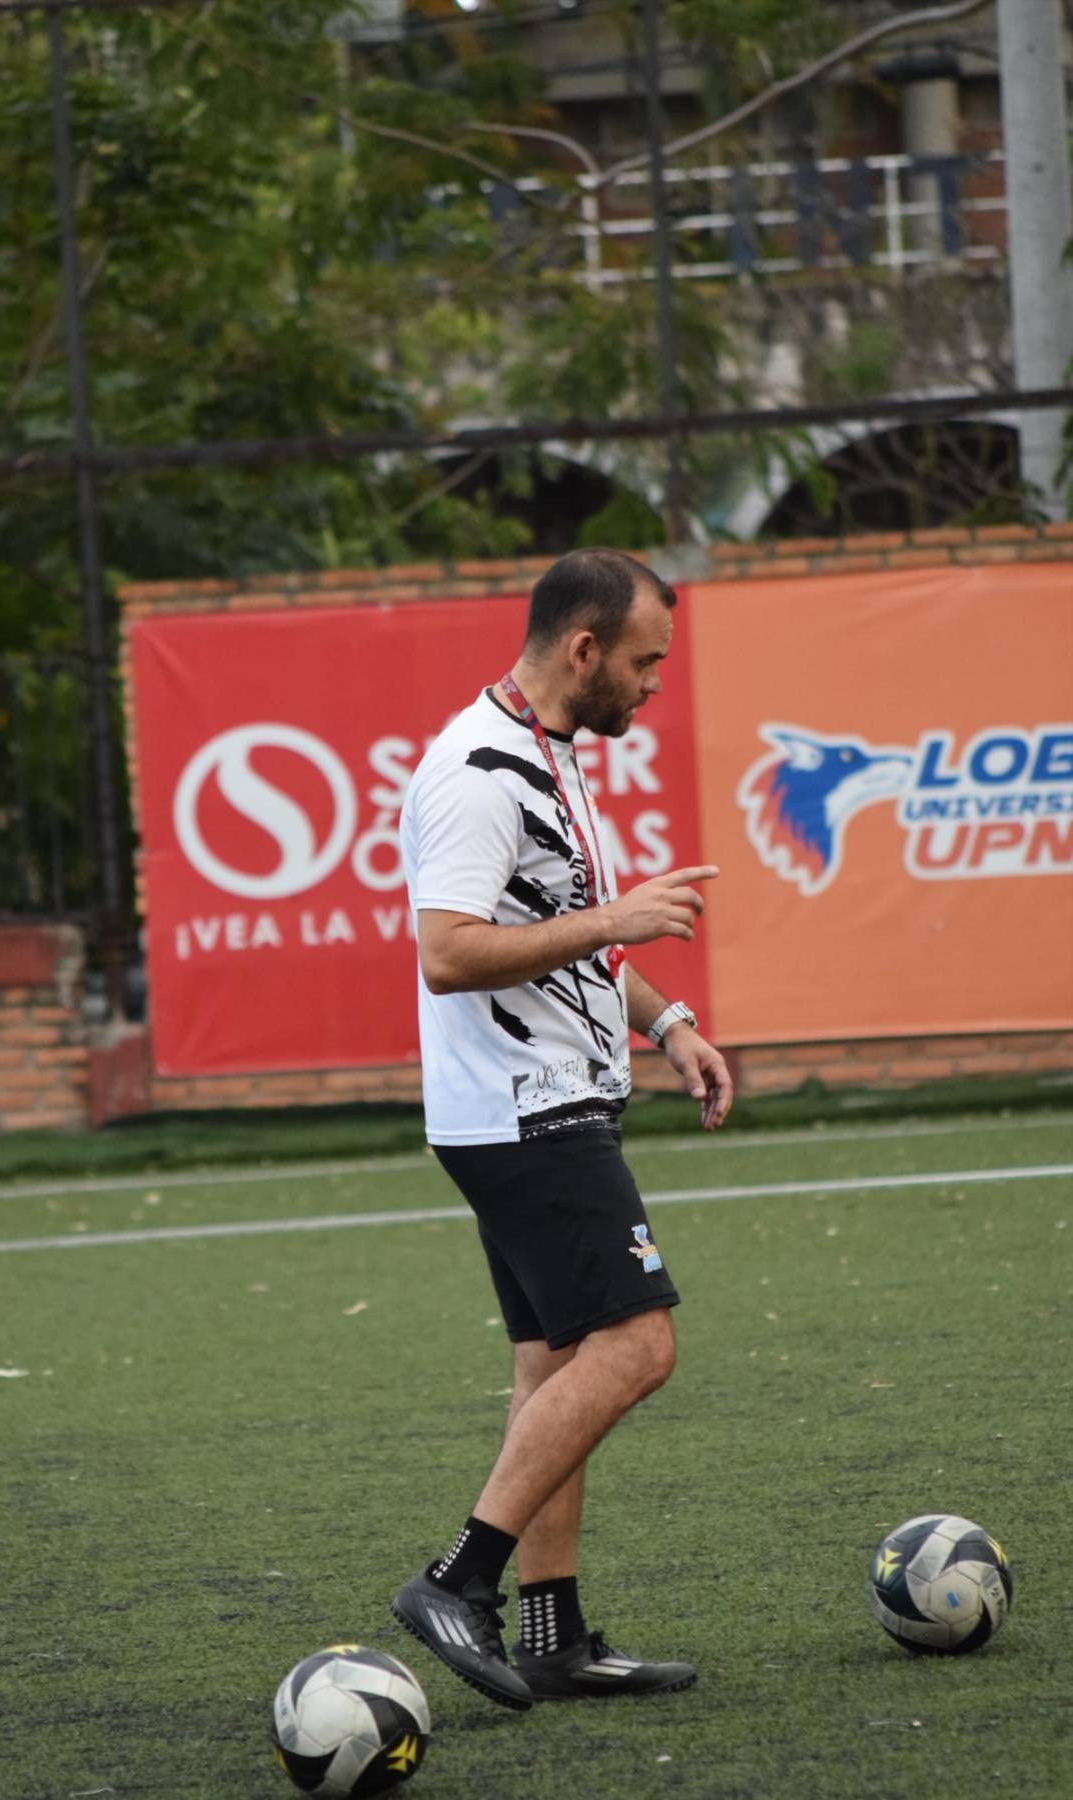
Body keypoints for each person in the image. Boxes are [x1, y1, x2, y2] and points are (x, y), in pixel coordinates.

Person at [391, 547, 733, 1711]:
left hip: (551, 1100)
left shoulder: (552, 752)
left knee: (555, 1367)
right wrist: (620, 916)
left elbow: (567, 931)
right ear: (582, 650)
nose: (651, 685)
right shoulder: (476, 773)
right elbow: (448, 952)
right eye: (643, 663)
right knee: (638, 1347)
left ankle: (554, 1632)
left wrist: (669, 1022)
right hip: (524, 1115)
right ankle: (459, 1579)